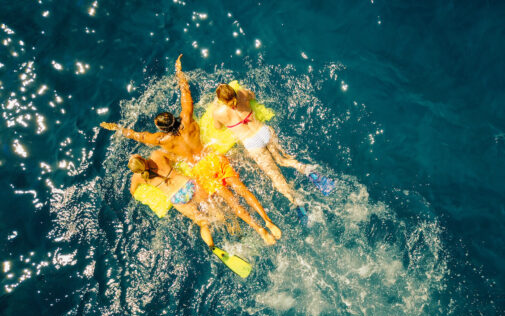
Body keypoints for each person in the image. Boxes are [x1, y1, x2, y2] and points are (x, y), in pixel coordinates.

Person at [101, 55, 281, 242]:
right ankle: (268, 221)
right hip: (213, 158)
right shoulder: (187, 119)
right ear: (173, 118)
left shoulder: (161, 140)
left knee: (231, 202)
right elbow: (185, 94)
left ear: (162, 128)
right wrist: (179, 72)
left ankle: (259, 231)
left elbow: (137, 135)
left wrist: (117, 128)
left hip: (200, 170)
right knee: (242, 190)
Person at [211, 83, 335, 222]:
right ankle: (307, 170)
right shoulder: (242, 94)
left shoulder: (218, 112)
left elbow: (218, 128)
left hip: (253, 144)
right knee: (282, 160)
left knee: (277, 178)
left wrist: (217, 105)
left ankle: (297, 203)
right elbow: (253, 96)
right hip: (264, 132)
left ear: (222, 100)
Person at [128, 150, 278, 246]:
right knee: (219, 206)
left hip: (176, 198)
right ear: (141, 157)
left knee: (202, 223)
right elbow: (177, 158)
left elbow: (133, 192)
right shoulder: (156, 155)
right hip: (188, 184)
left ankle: (213, 246)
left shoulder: (137, 178)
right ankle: (239, 225)